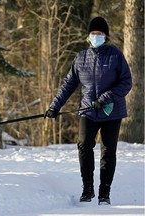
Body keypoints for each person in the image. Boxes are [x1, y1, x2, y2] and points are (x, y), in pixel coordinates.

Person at [44, 17, 132, 205]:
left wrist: (105, 98)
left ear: (106, 36)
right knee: (84, 145)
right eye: (93, 33)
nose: (96, 36)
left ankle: (104, 192)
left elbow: (126, 82)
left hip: (111, 111)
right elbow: (68, 84)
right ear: (88, 36)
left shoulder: (115, 55)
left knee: (108, 151)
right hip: (88, 110)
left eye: (100, 34)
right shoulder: (81, 57)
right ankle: (88, 188)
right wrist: (54, 106)